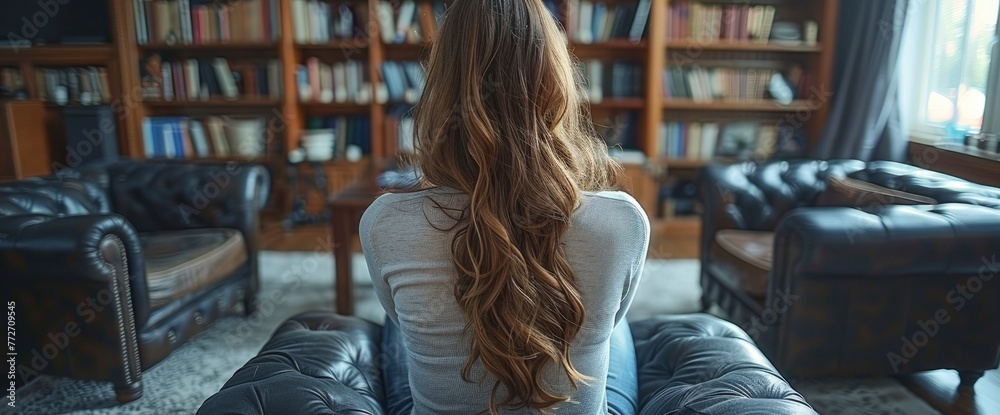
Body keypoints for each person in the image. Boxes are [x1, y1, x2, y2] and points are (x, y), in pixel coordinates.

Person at [359, 0, 650, 413]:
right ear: (554, 80)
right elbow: (613, 316)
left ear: (442, 86)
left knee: (397, 332)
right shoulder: (623, 222)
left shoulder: (384, 222)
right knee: (612, 333)